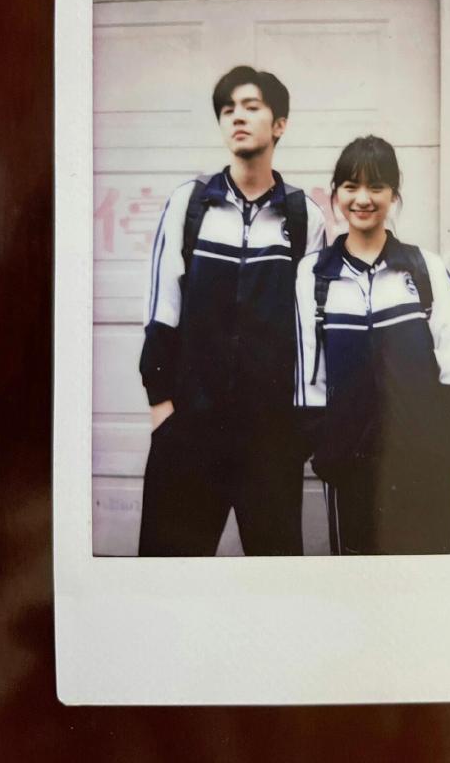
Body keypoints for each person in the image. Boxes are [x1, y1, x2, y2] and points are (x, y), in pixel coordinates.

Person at [138, 66, 326, 556]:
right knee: (168, 572)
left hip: (270, 437)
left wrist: (301, 425)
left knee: (274, 576)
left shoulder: (303, 216)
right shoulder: (190, 204)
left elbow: (310, 331)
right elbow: (162, 306)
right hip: (191, 427)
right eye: (227, 110)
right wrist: (162, 406)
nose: (237, 117)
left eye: (251, 107)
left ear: (279, 124)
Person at [294, 135, 450, 555]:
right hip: (351, 471)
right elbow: (309, 376)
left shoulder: (425, 268)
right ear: (336, 193)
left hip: (425, 467)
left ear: (393, 194)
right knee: (359, 579)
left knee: (427, 577)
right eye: (351, 186)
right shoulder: (314, 275)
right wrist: (330, 448)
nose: (363, 199)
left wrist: (438, 443)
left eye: (376, 186)